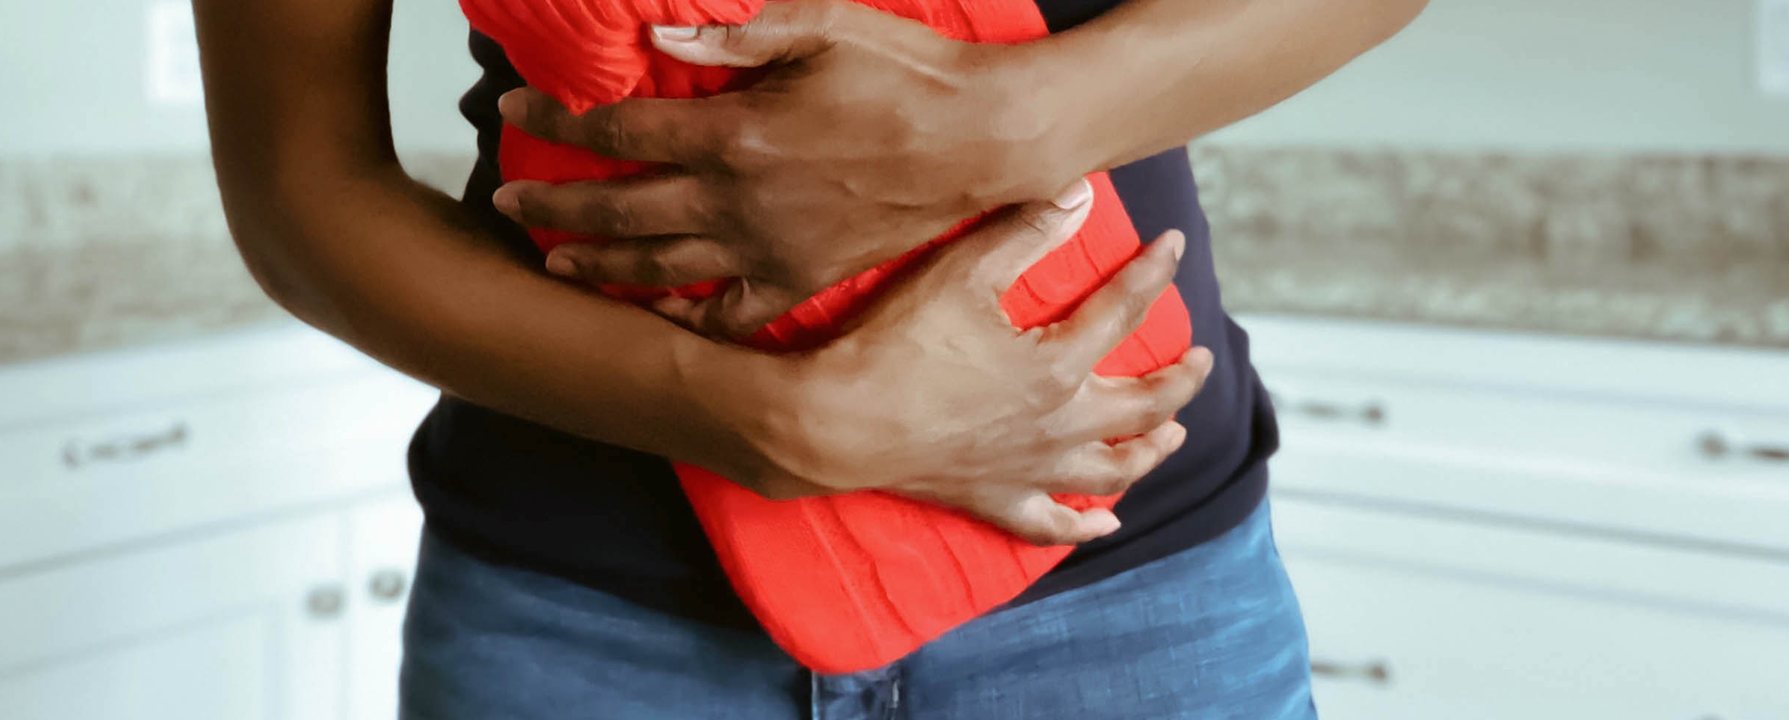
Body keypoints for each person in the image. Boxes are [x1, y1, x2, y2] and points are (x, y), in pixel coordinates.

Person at [192, 0, 1427, 716]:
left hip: (1131, 612)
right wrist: (771, 419)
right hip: (593, 629)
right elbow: (302, 189)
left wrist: (1002, 124)